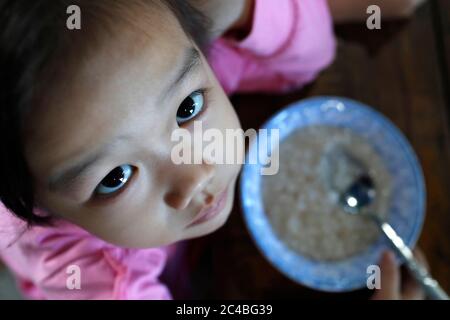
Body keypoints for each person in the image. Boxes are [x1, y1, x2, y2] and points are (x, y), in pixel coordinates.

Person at [0, 0, 426, 299]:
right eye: (116, 178)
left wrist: (240, 11)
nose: (196, 172)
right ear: (41, 207)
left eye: (189, 109)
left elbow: (307, 61)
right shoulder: (96, 278)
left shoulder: (155, 59)